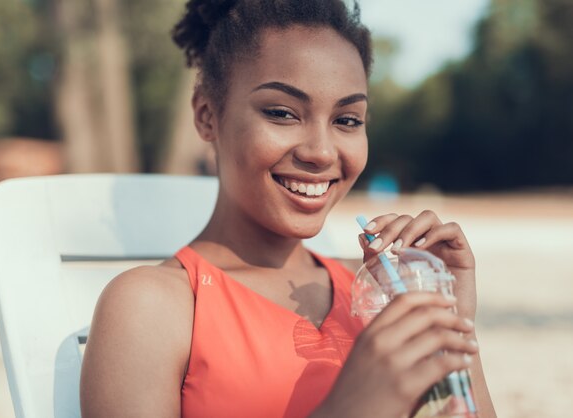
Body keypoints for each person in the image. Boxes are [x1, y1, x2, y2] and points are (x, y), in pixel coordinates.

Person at [80, 0, 497, 417]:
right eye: (282, 113)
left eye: (348, 120)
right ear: (207, 115)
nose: (321, 151)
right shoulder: (152, 307)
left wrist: (453, 327)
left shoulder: (379, 291)